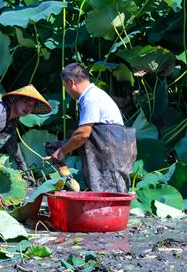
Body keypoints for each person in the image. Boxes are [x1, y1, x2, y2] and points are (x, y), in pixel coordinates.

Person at [50, 63, 136, 193]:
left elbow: (84, 134)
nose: (66, 90)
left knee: (109, 194)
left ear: (70, 82)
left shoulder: (90, 98)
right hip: (116, 148)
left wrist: (63, 150)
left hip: (110, 150)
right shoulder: (96, 94)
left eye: (64, 86)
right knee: (111, 193)